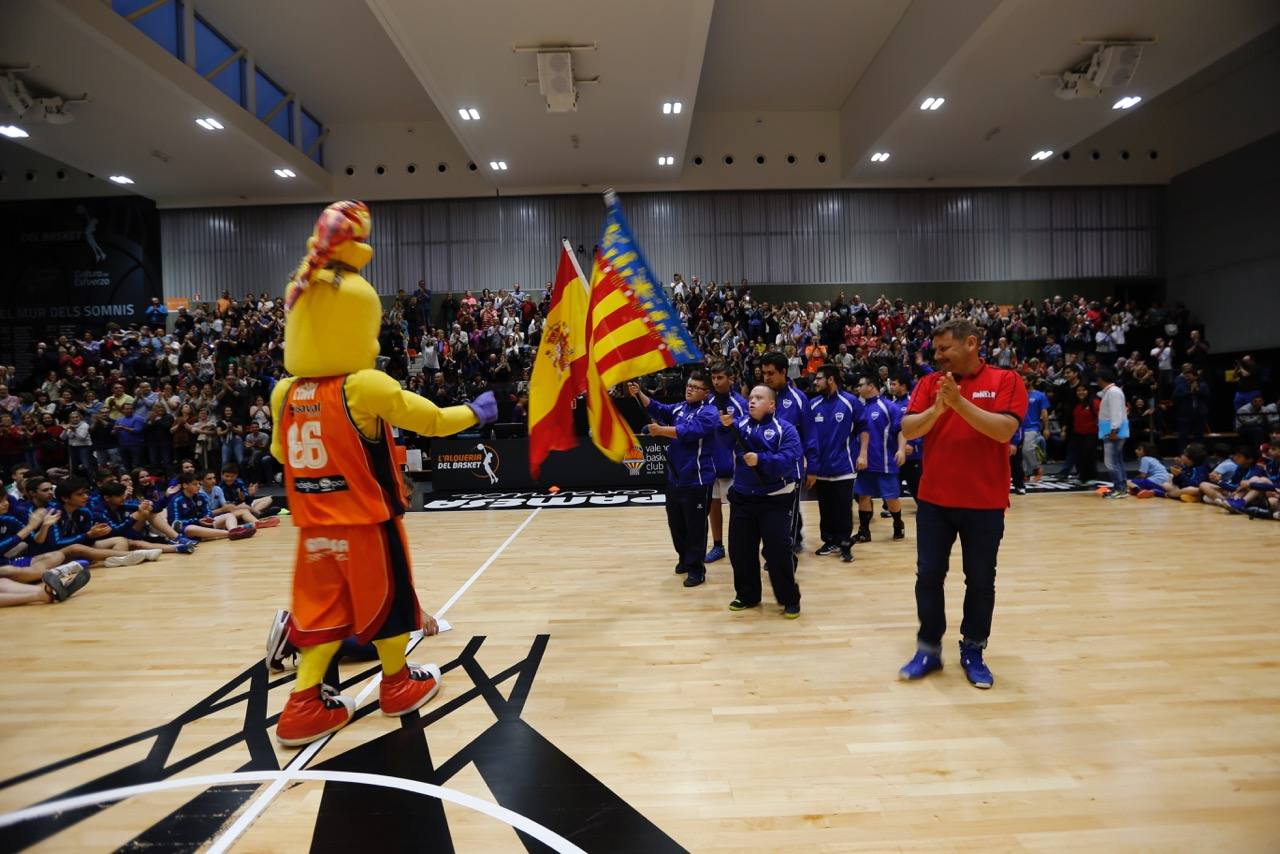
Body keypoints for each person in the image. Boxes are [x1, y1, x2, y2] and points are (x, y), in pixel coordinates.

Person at [269, 200, 499, 747]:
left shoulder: (285, 392)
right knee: (390, 605)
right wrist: (478, 412)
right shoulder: (363, 386)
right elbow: (435, 421)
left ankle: (303, 705)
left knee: (320, 614)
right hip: (366, 521)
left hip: (313, 530)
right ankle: (396, 684)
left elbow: (282, 457)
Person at [898, 319, 1028, 689]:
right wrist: (939, 408)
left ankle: (973, 649)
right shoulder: (929, 384)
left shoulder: (1006, 381)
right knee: (928, 576)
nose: (937, 356)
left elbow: (1003, 430)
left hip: (984, 503)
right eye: (935, 350)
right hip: (934, 501)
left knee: (981, 580)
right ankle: (928, 649)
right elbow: (909, 429)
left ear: (971, 343)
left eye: (944, 349)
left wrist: (958, 403)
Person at [718, 386, 803, 618]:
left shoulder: (785, 430)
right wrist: (724, 428)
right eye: (751, 398)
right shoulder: (739, 426)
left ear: (772, 405)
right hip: (743, 498)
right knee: (740, 550)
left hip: (775, 500)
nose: (752, 401)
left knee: (777, 552)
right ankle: (747, 595)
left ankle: (789, 598)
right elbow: (723, 444)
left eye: (759, 398)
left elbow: (788, 459)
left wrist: (761, 459)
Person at [628, 371, 720, 586]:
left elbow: (688, 432)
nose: (690, 389)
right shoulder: (680, 407)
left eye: (696, 387)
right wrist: (638, 393)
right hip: (675, 478)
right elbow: (658, 408)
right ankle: (684, 559)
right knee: (676, 525)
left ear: (706, 393)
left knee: (695, 527)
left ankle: (697, 569)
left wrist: (660, 430)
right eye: (689, 385)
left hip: (697, 479)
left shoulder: (709, 413)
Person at [759, 352, 817, 556]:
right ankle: (778, 546)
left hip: (790, 468)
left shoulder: (799, 399)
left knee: (788, 512)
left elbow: (810, 436)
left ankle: (785, 552)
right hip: (765, 467)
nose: (766, 378)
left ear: (784, 372)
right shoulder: (761, 397)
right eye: (764, 373)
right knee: (769, 511)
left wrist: (813, 468)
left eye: (771, 373)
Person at [807, 365, 861, 562]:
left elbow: (864, 429)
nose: (815, 382)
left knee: (843, 509)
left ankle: (845, 543)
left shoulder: (850, 401)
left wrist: (862, 454)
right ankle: (829, 541)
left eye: (818, 378)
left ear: (830, 379)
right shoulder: (812, 404)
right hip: (820, 468)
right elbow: (807, 436)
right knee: (826, 508)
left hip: (844, 467)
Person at [703, 364, 747, 565]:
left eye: (720, 377)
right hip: (711, 465)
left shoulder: (740, 404)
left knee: (737, 508)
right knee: (713, 505)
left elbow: (747, 433)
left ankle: (741, 545)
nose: (716, 382)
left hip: (733, 467)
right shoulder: (708, 401)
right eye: (713, 378)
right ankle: (718, 545)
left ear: (731, 379)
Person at [854, 375, 907, 541]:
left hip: (885, 462)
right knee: (863, 496)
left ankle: (898, 523)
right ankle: (864, 531)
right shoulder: (859, 407)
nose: (858, 388)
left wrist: (901, 449)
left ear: (871, 386)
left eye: (860, 385)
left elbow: (902, 430)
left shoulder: (889, 407)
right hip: (865, 462)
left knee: (891, 498)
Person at [1097, 367, 1129, 499]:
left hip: (1113, 432)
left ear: (1101, 379)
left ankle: (1119, 489)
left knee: (1111, 462)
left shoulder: (1113, 392)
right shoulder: (1111, 391)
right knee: (1117, 461)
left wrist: (1114, 430)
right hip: (1111, 431)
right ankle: (1121, 488)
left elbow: (1117, 412)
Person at [1020, 376, 1049, 482]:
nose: (1022, 381)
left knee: (1027, 449)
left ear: (1031, 380)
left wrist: (1046, 428)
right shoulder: (1019, 394)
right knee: (1021, 452)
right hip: (1019, 427)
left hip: (1033, 427)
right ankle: (1026, 473)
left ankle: (1037, 467)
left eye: (1024, 379)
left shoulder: (1040, 395)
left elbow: (1044, 412)